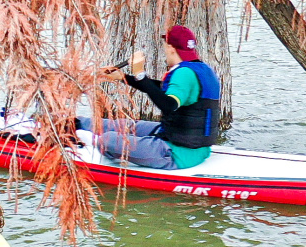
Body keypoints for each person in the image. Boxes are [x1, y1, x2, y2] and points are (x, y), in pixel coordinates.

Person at [91, 24, 222, 171]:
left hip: (176, 154)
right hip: (190, 145)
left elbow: (168, 105)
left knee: (106, 140)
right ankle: (75, 123)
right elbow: (160, 89)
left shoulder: (184, 73)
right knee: (120, 125)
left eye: (165, 46)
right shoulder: (204, 70)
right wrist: (122, 77)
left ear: (171, 48)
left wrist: (140, 74)